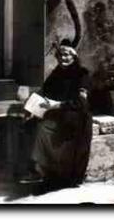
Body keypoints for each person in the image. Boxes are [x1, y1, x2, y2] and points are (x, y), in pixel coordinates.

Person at [19, 41, 93, 189]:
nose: (62, 58)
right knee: (29, 125)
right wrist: (30, 106)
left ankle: (40, 170)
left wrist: (56, 105)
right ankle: (42, 171)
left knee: (42, 129)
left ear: (74, 56)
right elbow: (44, 91)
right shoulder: (56, 73)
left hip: (76, 117)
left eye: (66, 55)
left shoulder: (82, 74)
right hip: (58, 113)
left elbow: (81, 104)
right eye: (59, 55)